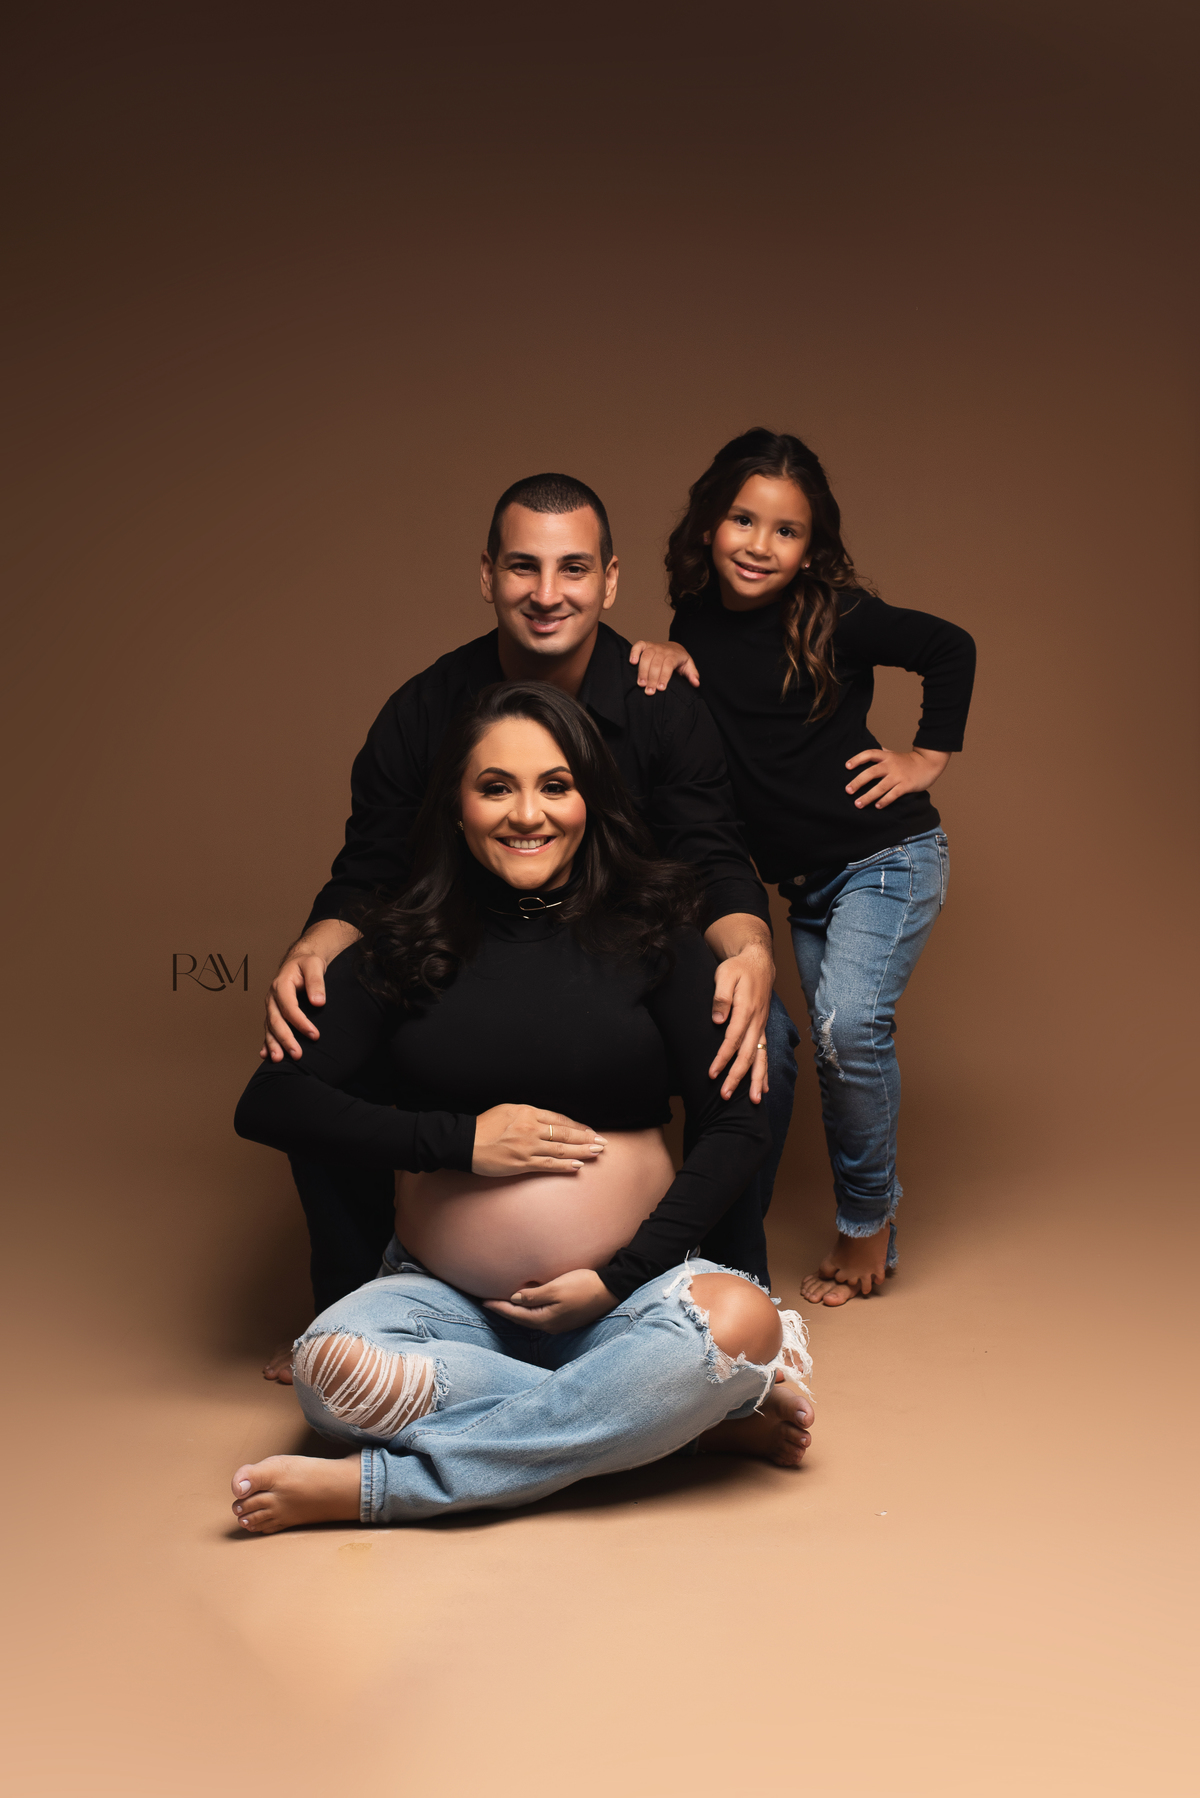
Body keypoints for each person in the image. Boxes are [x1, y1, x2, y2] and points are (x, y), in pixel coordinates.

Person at [230, 683, 813, 1531]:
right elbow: (271, 1102)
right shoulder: (401, 943)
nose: (527, 814)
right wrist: (459, 1141)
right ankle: (660, 1425)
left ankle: (382, 1489)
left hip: (632, 1300)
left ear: (590, 801)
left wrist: (616, 1279)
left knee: (738, 1322)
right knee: (330, 1371)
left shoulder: (656, 934)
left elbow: (739, 1125)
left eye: (555, 785)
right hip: (447, 1308)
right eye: (496, 787)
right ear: (457, 806)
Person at [258, 472, 790, 1379]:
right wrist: (315, 949)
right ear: (487, 575)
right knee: (319, 1026)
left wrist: (749, 949)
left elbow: (711, 855)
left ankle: (731, 1309)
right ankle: (350, 1305)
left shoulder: (661, 699)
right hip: (463, 953)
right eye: (522, 568)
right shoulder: (425, 709)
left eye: (573, 568)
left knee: (755, 1036)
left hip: (630, 961)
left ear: (610, 580)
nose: (547, 593)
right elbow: (371, 870)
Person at [630, 429, 975, 1306]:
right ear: (709, 524)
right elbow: (712, 711)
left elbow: (950, 646)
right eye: (744, 520)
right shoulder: (695, 616)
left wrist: (925, 757)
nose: (760, 545)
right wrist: (669, 652)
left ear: (812, 547)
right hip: (811, 887)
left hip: (888, 859)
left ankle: (867, 1222)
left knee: (848, 1030)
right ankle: (733, 1239)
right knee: (825, 1047)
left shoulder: (836, 615)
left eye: (786, 531)